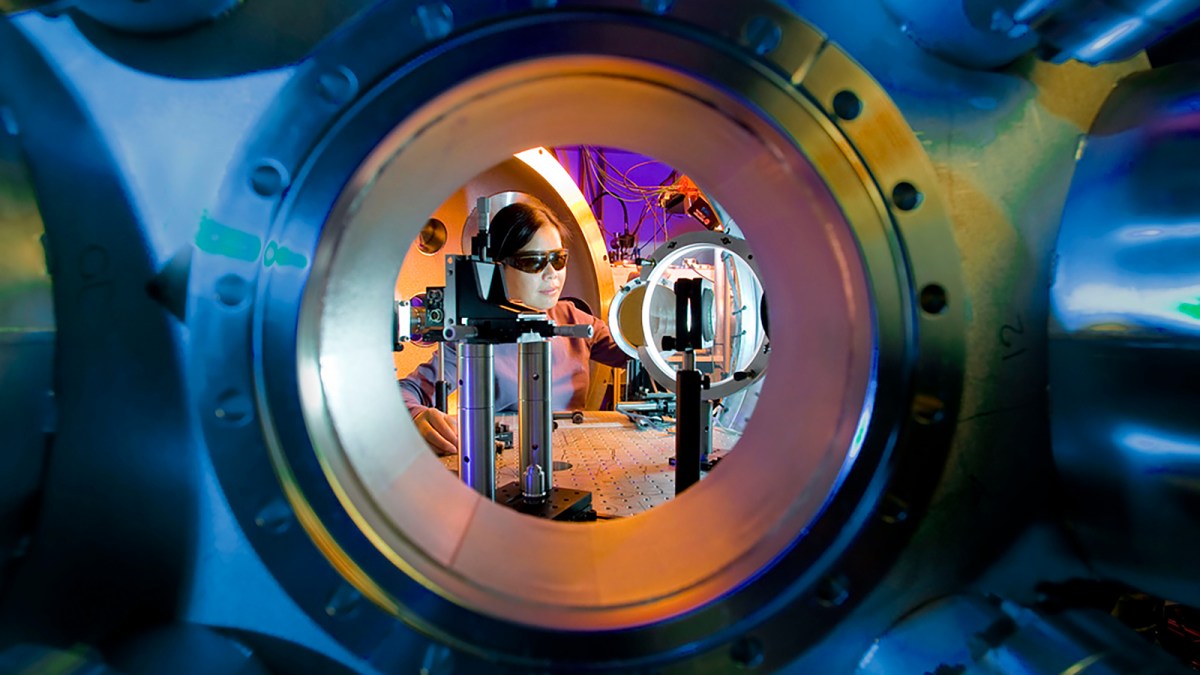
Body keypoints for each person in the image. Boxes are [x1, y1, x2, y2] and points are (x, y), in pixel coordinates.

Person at [399, 201, 629, 454]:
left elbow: (638, 355)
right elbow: (405, 392)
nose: (551, 273)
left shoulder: (575, 321)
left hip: (572, 457)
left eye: (558, 259)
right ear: (497, 267)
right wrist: (417, 418)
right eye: (534, 262)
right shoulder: (474, 336)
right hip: (504, 459)